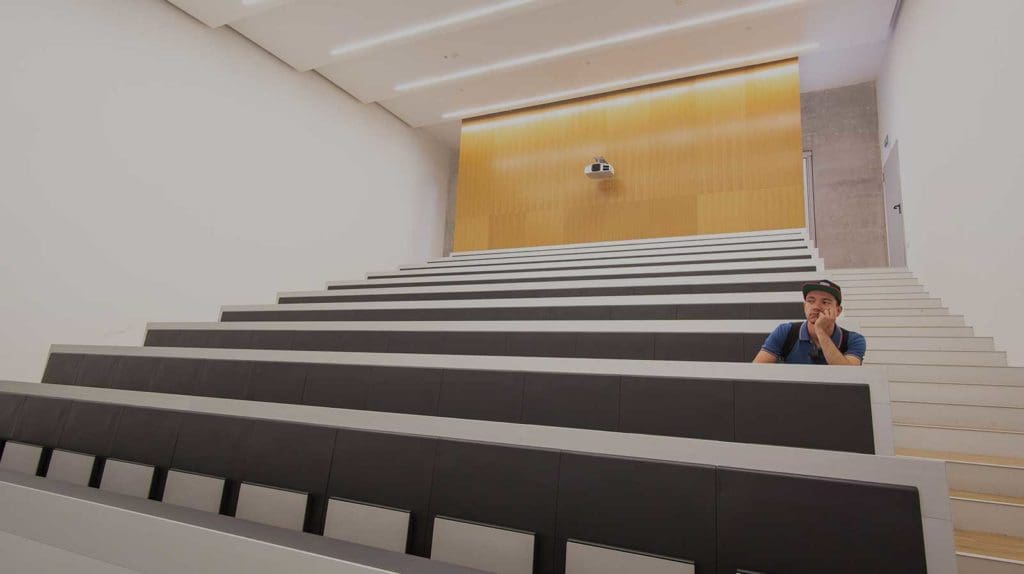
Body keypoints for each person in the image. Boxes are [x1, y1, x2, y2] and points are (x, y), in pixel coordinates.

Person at [753, 279, 866, 365]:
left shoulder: (854, 340)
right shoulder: (785, 331)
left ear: (838, 310)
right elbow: (757, 371)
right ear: (804, 306)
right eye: (811, 301)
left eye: (825, 302)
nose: (816, 307)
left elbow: (850, 377)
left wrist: (820, 332)